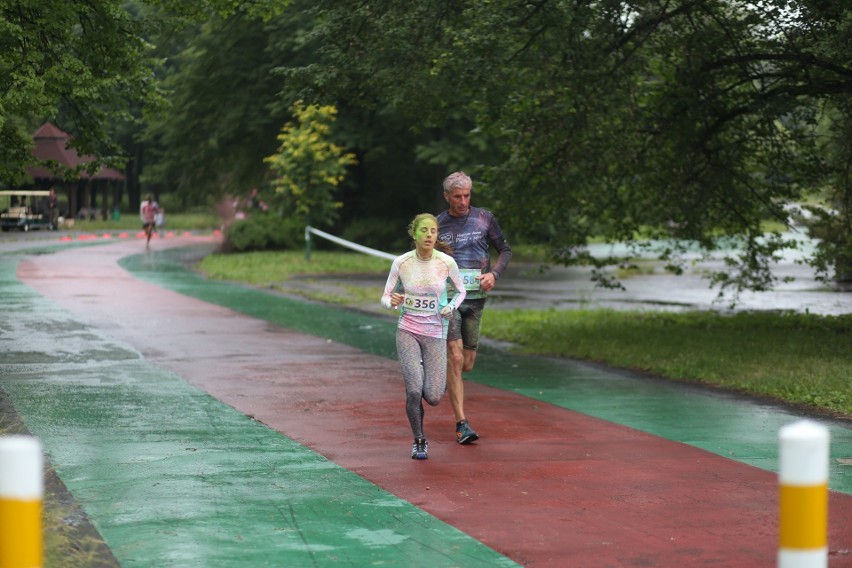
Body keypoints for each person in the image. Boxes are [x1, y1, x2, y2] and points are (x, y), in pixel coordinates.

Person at [381, 213, 467, 460]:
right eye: (424, 231)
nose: (429, 235)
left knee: (433, 396)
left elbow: (460, 291)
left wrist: (450, 306)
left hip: (436, 333)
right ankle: (419, 440)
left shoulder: (446, 262)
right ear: (414, 233)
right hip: (408, 330)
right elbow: (386, 296)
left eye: (433, 231)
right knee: (414, 390)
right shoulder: (402, 262)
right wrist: (392, 302)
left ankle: (421, 385)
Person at [437, 171, 512, 445]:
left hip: (476, 299)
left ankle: (442, 370)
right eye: (457, 196)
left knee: (466, 364)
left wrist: (494, 274)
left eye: (467, 195)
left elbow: (505, 250)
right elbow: (426, 259)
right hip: (449, 301)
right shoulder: (438, 225)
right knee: (455, 358)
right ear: (447, 197)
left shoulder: (484, 218)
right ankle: (462, 424)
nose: (463, 201)